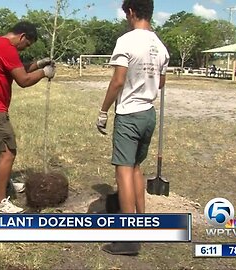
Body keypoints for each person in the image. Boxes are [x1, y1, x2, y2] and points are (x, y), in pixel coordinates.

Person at [96, 0, 169, 255]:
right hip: (149, 114)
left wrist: (103, 111)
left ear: (131, 12)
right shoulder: (160, 45)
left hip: (129, 114)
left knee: (123, 171)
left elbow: (118, 81)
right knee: (137, 168)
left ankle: (128, 239)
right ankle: (142, 223)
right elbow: (160, 82)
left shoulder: (126, 41)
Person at [0, 21, 56, 213]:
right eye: (28, 44)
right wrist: (44, 72)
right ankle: (0, 203)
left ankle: (6, 183)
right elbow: (23, 80)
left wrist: (38, 64)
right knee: (8, 151)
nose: (26, 48)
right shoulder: (6, 48)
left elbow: (19, 68)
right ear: (22, 36)